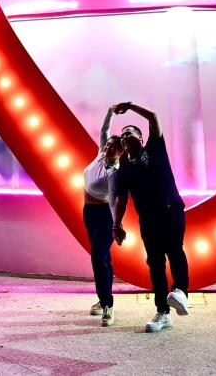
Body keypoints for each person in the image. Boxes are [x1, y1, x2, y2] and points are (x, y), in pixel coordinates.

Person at [111, 101, 189, 332]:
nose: (124, 137)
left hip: (170, 210)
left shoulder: (154, 148)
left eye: (129, 133)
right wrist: (116, 223)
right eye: (122, 136)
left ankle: (181, 292)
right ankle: (162, 313)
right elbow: (121, 198)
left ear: (141, 138)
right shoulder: (124, 165)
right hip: (147, 219)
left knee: (175, 250)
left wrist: (131, 106)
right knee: (155, 263)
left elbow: (154, 116)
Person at [83, 106, 124, 327]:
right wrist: (109, 111)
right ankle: (103, 298)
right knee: (102, 259)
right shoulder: (100, 155)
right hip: (88, 212)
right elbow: (104, 130)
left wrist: (117, 225)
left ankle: (108, 305)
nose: (107, 146)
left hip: (104, 217)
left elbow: (117, 200)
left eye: (112, 146)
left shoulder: (115, 172)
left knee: (98, 259)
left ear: (120, 152)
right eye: (107, 144)